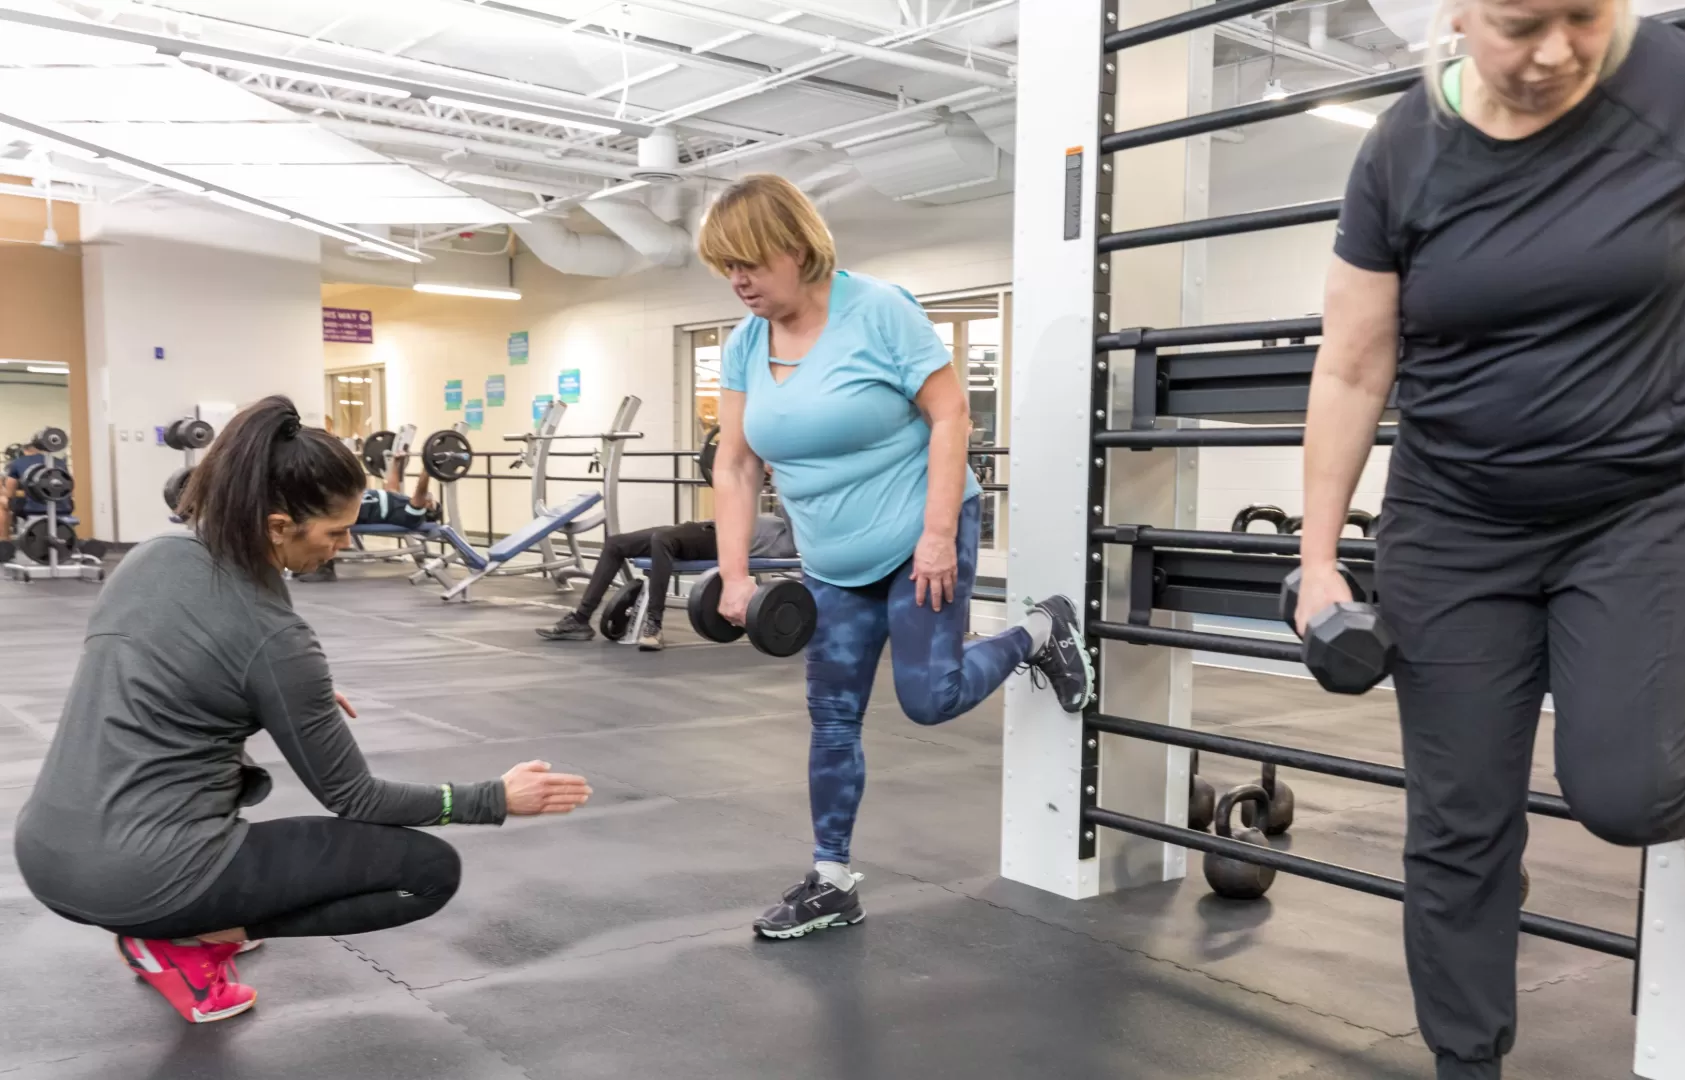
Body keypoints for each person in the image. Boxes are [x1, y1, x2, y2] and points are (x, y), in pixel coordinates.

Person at [1292, 4, 1685, 1078]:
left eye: (1585, 16)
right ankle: (1467, 1064)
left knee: (1627, 789)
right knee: (1458, 828)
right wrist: (1315, 562)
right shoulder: (1401, 153)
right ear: (1458, 11)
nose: (1554, 52)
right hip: (1455, 526)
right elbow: (1353, 366)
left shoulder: (1683, 90)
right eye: (1521, 23)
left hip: (1649, 506)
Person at [11, 396, 592, 1025]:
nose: (343, 546)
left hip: (45, 853)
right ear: (279, 525)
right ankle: (188, 941)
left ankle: (175, 926)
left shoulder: (153, 553)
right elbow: (358, 801)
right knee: (427, 872)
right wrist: (493, 799)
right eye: (335, 533)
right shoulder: (277, 642)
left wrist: (274, 693)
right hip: (142, 877)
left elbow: (167, 672)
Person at [698, 174, 1093, 940]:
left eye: (746, 261)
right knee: (832, 716)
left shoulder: (879, 310)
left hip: (922, 540)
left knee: (930, 697)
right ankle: (831, 879)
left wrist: (939, 532)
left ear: (795, 246)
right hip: (830, 565)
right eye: (725, 268)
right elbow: (737, 465)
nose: (737, 280)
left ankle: (1040, 631)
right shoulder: (744, 344)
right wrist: (737, 574)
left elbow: (951, 417)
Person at [537, 494, 797, 650]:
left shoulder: (791, 540)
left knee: (662, 539)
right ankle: (580, 621)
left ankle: (653, 626)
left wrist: (781, 473)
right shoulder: (781, 525)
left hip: (718, 541)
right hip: (701, 528)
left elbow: (792, 504)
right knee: (615, 544)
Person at [294, 437, 442, 583]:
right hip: (351, 497)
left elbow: (420, 493)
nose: (430, 497)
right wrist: (397, 462)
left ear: (428, 511)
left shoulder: (413, 516)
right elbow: (391, 487)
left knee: (317, 515)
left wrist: (427, 470)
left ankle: (324, 569)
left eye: (432, 502)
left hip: (354, 510)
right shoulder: (402, 501)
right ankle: (302, 562)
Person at [2, 430, 74, 538]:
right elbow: (70, 490)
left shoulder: (17, 463)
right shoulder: (60, 462)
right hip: (64, 507)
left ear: (24, 450)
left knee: (2, 502)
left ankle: (4, 540)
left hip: (32, 508)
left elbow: (9, 494)